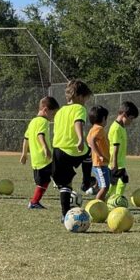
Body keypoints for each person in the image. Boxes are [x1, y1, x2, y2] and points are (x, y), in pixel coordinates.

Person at [52, 80, 93, 220]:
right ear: (80, 96)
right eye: (86, 99)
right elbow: (78, 123)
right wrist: (81, 138)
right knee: (89, 153)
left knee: (65, 184)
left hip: (58, 150)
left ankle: (65, 215)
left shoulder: (60, 111)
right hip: (73, 148)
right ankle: (86, 182)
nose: (85, 102)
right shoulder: (79, 108)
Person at [20, 96, 60, 209]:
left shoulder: (32, 122)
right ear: (46, 110)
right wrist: (46, 149)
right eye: (52, 114)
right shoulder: (43, 121)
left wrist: (24, 154)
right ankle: (34, 202)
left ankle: (35, 202)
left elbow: (26, 138)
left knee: (44, 181)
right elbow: (40, 135)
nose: (53, 117)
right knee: (58, 176)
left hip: (36, 159)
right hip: (44, 158)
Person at [107, 101, 140, 200]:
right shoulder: (116, 128)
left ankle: (109, 198)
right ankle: (116, 198)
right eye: (131, 119)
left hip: (120, 162)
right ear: (124, 115)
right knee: (123, 179)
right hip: (116, 162)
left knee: (114, 183)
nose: (131, 121)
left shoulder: (121, 127)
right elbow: (115, 147)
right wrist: (115, 163)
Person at [86, 105, 111, 202]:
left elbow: (88, 140)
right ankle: (96, 206)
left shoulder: (93, 128)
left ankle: (102, 205)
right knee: (105, 187)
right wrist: (100, 155)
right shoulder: (99, 129)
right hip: (100, 164)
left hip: (98, 164)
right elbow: (92, 141)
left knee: (104, 186)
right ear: (104, 118)